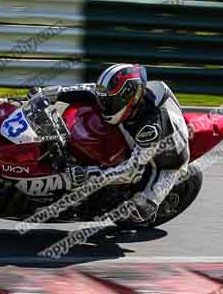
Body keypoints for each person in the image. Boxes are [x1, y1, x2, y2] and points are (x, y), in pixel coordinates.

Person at [28, 63, 190, 224]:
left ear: (131, 98)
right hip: (142, 122)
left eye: (110, 101)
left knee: (143, 209)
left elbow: (132, 171)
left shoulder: (149, 129)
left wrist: (88, 173)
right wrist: (49, 94)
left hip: (169, 160)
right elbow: (91, 90)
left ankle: (150, 202)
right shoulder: (129, 101)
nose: (104, 105)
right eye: (105, 100)